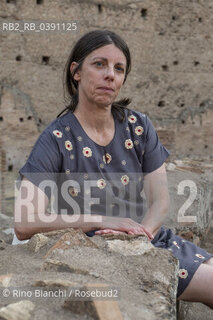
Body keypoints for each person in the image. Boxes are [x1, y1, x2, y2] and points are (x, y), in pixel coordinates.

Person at [14, 29, 213, 307]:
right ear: (76, 72)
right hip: (98, 248)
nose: (110, 74)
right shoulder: (56, 139)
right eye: (99, 64)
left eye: (119, 69)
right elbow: (24, 223)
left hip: (150, 240)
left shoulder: (139, 127)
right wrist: (102, 220)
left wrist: (142, 235)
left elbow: (160, 201)